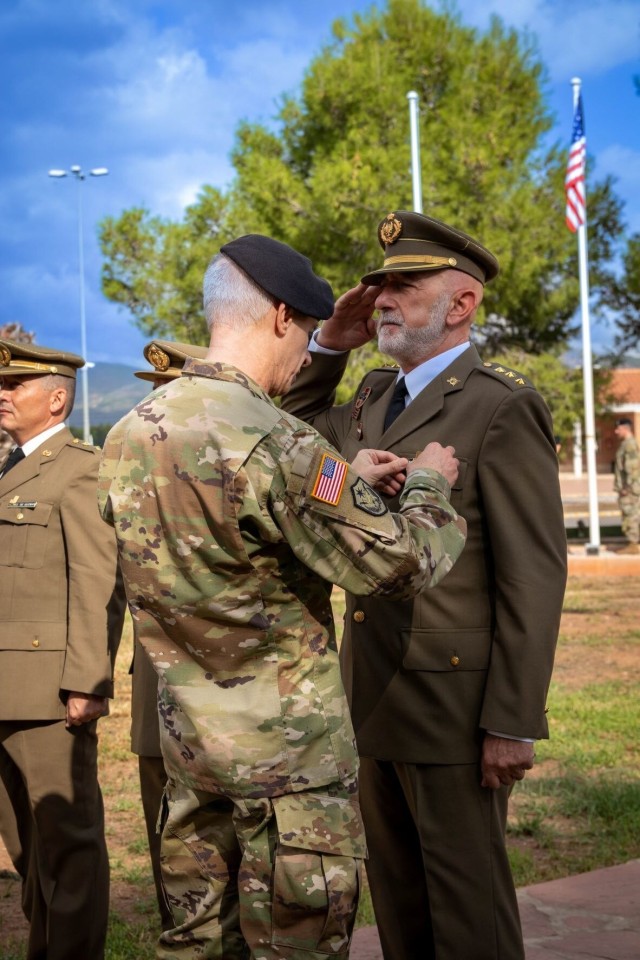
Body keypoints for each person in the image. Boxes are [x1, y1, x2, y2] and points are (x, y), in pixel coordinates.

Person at [98, 234, 467, 959]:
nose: (304, 353)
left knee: (196, 946)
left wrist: (339, 479)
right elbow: (401, 566)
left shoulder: (129, 431)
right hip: (287, 779)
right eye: (304, 331)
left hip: (191, 761)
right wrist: (429, 483)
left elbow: (220, 544)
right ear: (277, 318)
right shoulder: (279, 445)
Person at [282, 210, 568, 960]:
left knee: (467, 911)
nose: (380, 298)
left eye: (403, 285)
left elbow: (533, 574)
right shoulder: (373, 397)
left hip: (454, 705)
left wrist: (512, 719)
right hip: (371, 691)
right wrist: (327, 346)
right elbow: (293, 438)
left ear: (462, 304)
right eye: (378, 284)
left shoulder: (499, 406)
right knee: (401, 907)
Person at [0, 340, 125, 960]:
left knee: (69, 848)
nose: (2, 392)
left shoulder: (80, 467)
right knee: (28, 850)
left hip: (48, 693)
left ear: (55, 398)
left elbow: (98, 581)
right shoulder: (9, 467)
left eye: (15, 384)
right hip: (5, 687)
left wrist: (87, 682)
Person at [131, 338, 209, 931]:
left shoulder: (239, 468)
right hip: (153, 688)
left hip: (224, 696)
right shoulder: (134, 476)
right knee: (165, 826)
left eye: (174, 395)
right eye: (157, 396)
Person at [613, 416, 640, 554]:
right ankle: (632, 543)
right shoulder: (626, 444)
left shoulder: (629, 444)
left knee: (631, 514)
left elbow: (632, 468)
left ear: (624, 429)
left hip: (629, 489)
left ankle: (633, 544)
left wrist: (626, 488)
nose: (616, 432)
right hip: (628, 488)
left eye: (618, 429)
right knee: (629, 514)